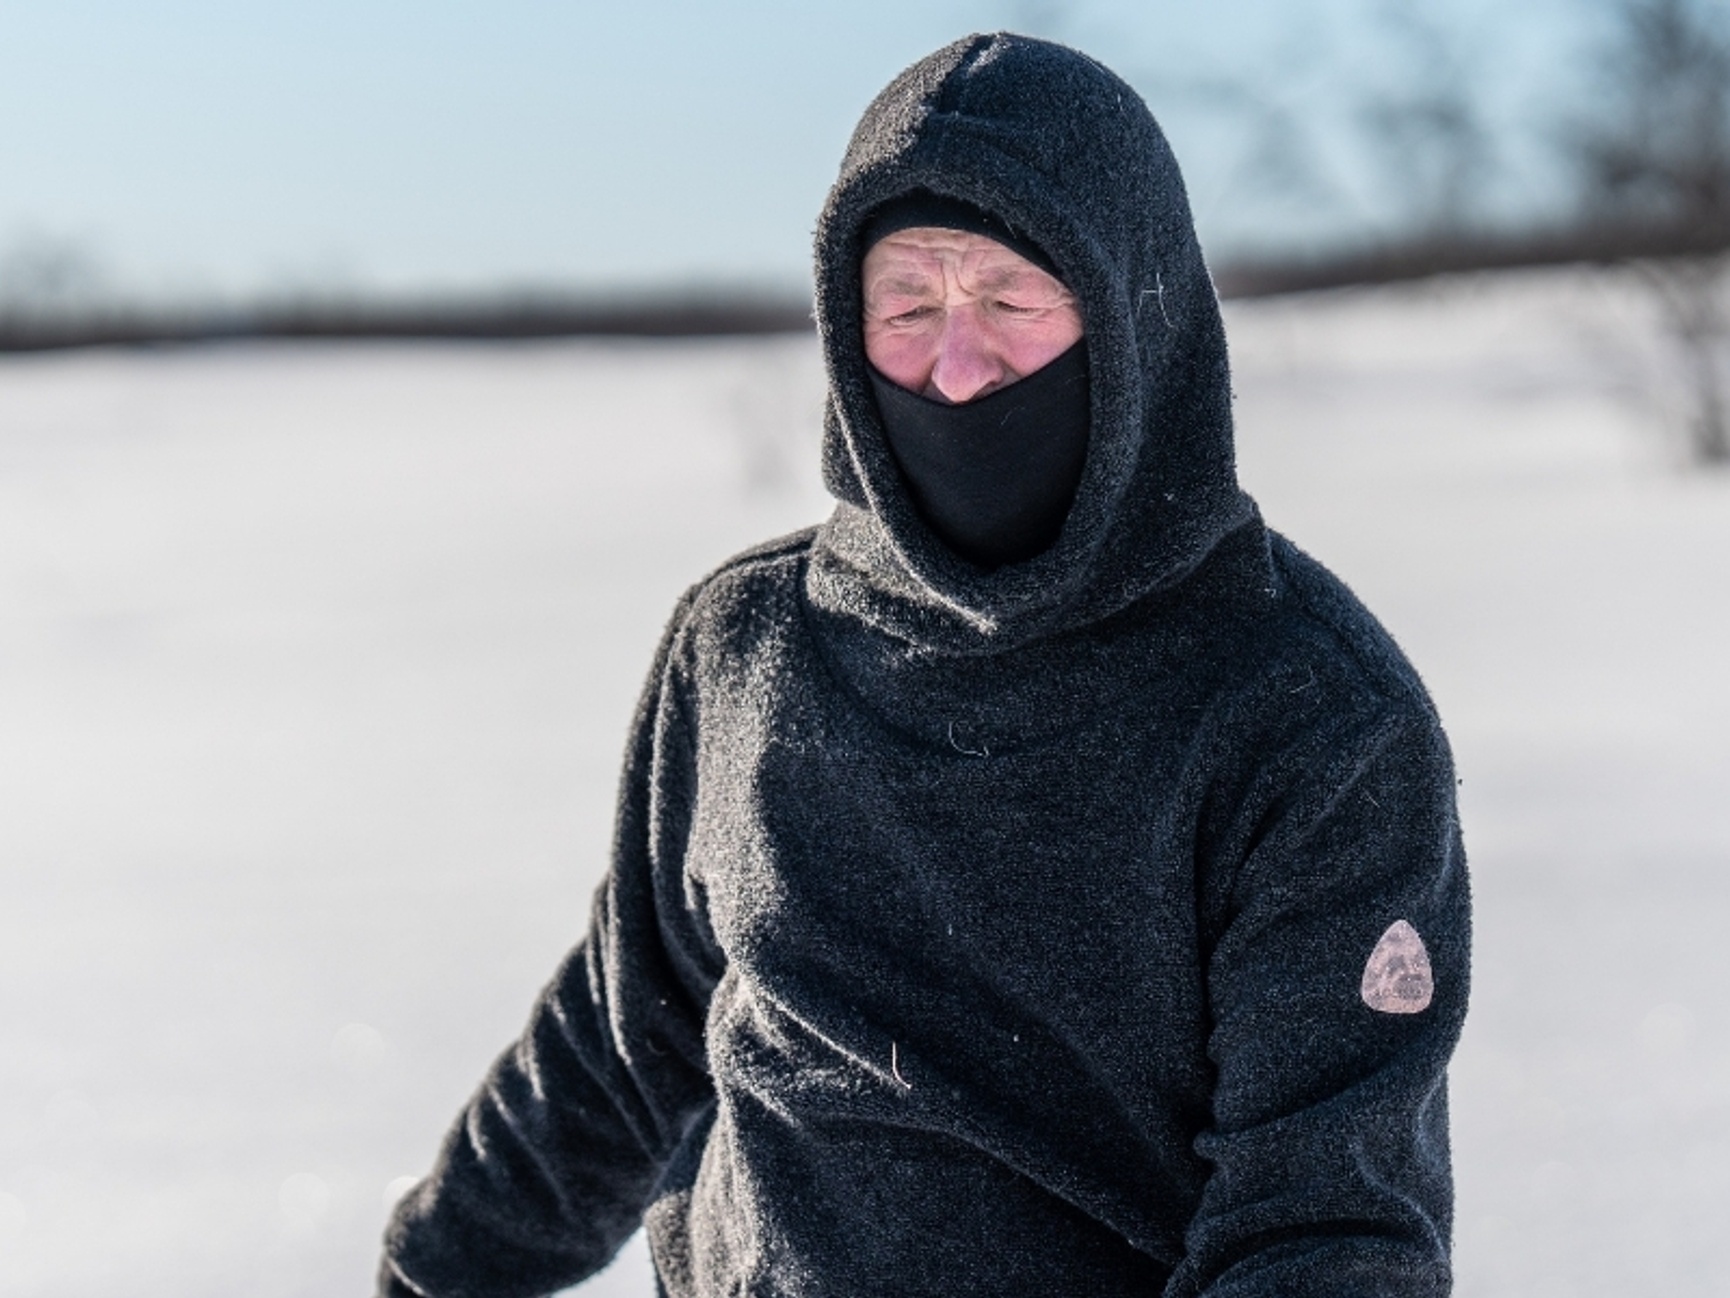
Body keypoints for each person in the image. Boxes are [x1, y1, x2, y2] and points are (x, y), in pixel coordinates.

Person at [378, 33, 1470, 1298]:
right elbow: (624, 1042)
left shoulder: (1309, 717)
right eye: (906, 307)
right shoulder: (749, 650)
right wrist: (429, 1273)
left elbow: (1322, 1231)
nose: (957, 366)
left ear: (1134, 314)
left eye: (1008, 300)